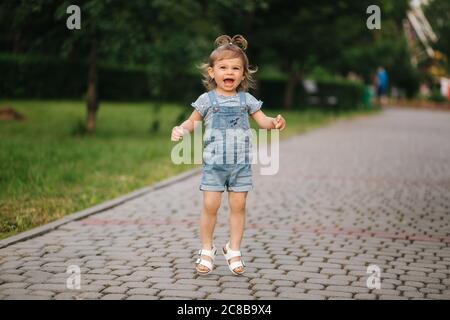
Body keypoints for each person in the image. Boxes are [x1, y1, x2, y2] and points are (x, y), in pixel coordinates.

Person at [171, 34, 286, 276]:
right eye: (223, 67)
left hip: (240, 165)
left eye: (235, 68)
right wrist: (181, 129)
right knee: (210, 205)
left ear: (243, 74)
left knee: (239, 205)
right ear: (212, 72)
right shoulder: (207, 100)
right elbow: (192, 121)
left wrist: (274, 123)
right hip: (214, 165)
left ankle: (233, 250)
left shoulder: (247, 100)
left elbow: (263, 122)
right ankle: (206, 249)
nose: (229, 72)